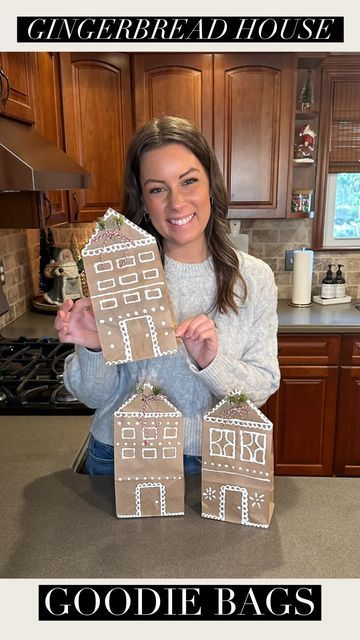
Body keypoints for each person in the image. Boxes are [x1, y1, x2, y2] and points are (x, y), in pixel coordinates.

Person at [55, 116, 280, 476]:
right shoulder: (120, 267)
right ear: (143, 200)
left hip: (214, 460)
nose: (177, 203)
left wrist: (212, 363)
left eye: (189, 181)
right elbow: (96, 397)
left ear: (210, 186)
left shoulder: (252, 278)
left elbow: (263, 387)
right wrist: (94, 349)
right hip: (120, 456)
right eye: (158, 189)